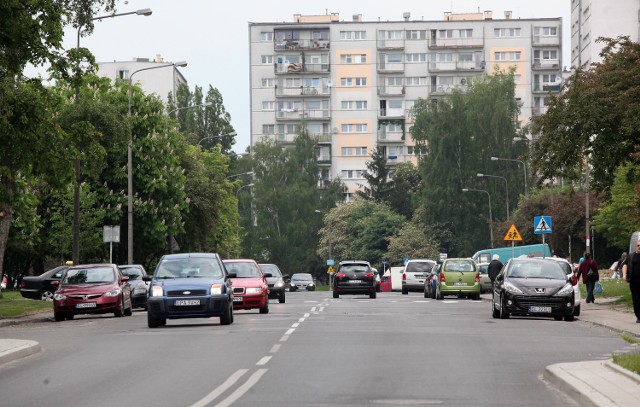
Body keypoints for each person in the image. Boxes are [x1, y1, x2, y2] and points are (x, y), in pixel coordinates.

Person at [622, 243, 640, 323]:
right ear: (636, 246)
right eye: (638, 245)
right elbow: (625, 265)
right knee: (636, 299)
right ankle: (638, 316)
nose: (639, 247)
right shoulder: (631, 256)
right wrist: (624, 275)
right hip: (634, 281)